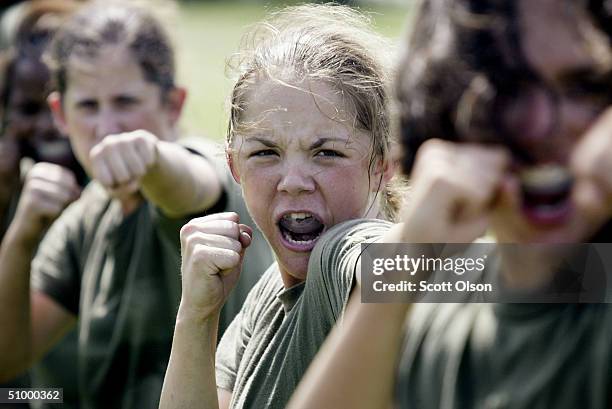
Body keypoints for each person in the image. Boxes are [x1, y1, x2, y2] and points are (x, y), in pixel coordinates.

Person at [288, 0, 612, 408]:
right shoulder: (451, 290)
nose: (539, 127)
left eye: (584, 87)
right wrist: (408, 254)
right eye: (508, 88)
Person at [0, 2, 272, 408]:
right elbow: (10, 359)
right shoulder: (86, 217)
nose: (108, 128)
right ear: (60, 113)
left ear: (174, 105)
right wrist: (21, 237)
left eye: (126, 102)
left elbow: (194, 185)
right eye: (88, 107)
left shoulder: (200, 169)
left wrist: (152, 157)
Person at [159, 4, 400, 409]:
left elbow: (413, 270)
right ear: (233, 164)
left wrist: (537, 277)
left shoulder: (345, 250)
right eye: (266, 152)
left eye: (326, 153)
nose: (292, 182)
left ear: (383, 164)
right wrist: (197, 318)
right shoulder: (267, 295)